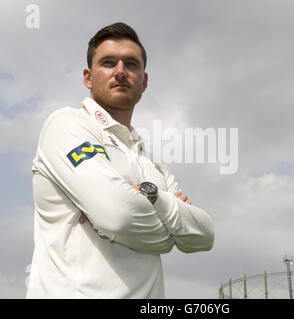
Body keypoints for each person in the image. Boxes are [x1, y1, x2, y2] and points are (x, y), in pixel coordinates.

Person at [26, 22, 214, 298]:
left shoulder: (152, 163)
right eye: (108, 62)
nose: (120, 71)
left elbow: (204, 235)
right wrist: (170, 232)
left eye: (131, 64)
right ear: (88, 78)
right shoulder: (66, 125)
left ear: (144, 81)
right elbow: (119, 217)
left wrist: (151, 196)